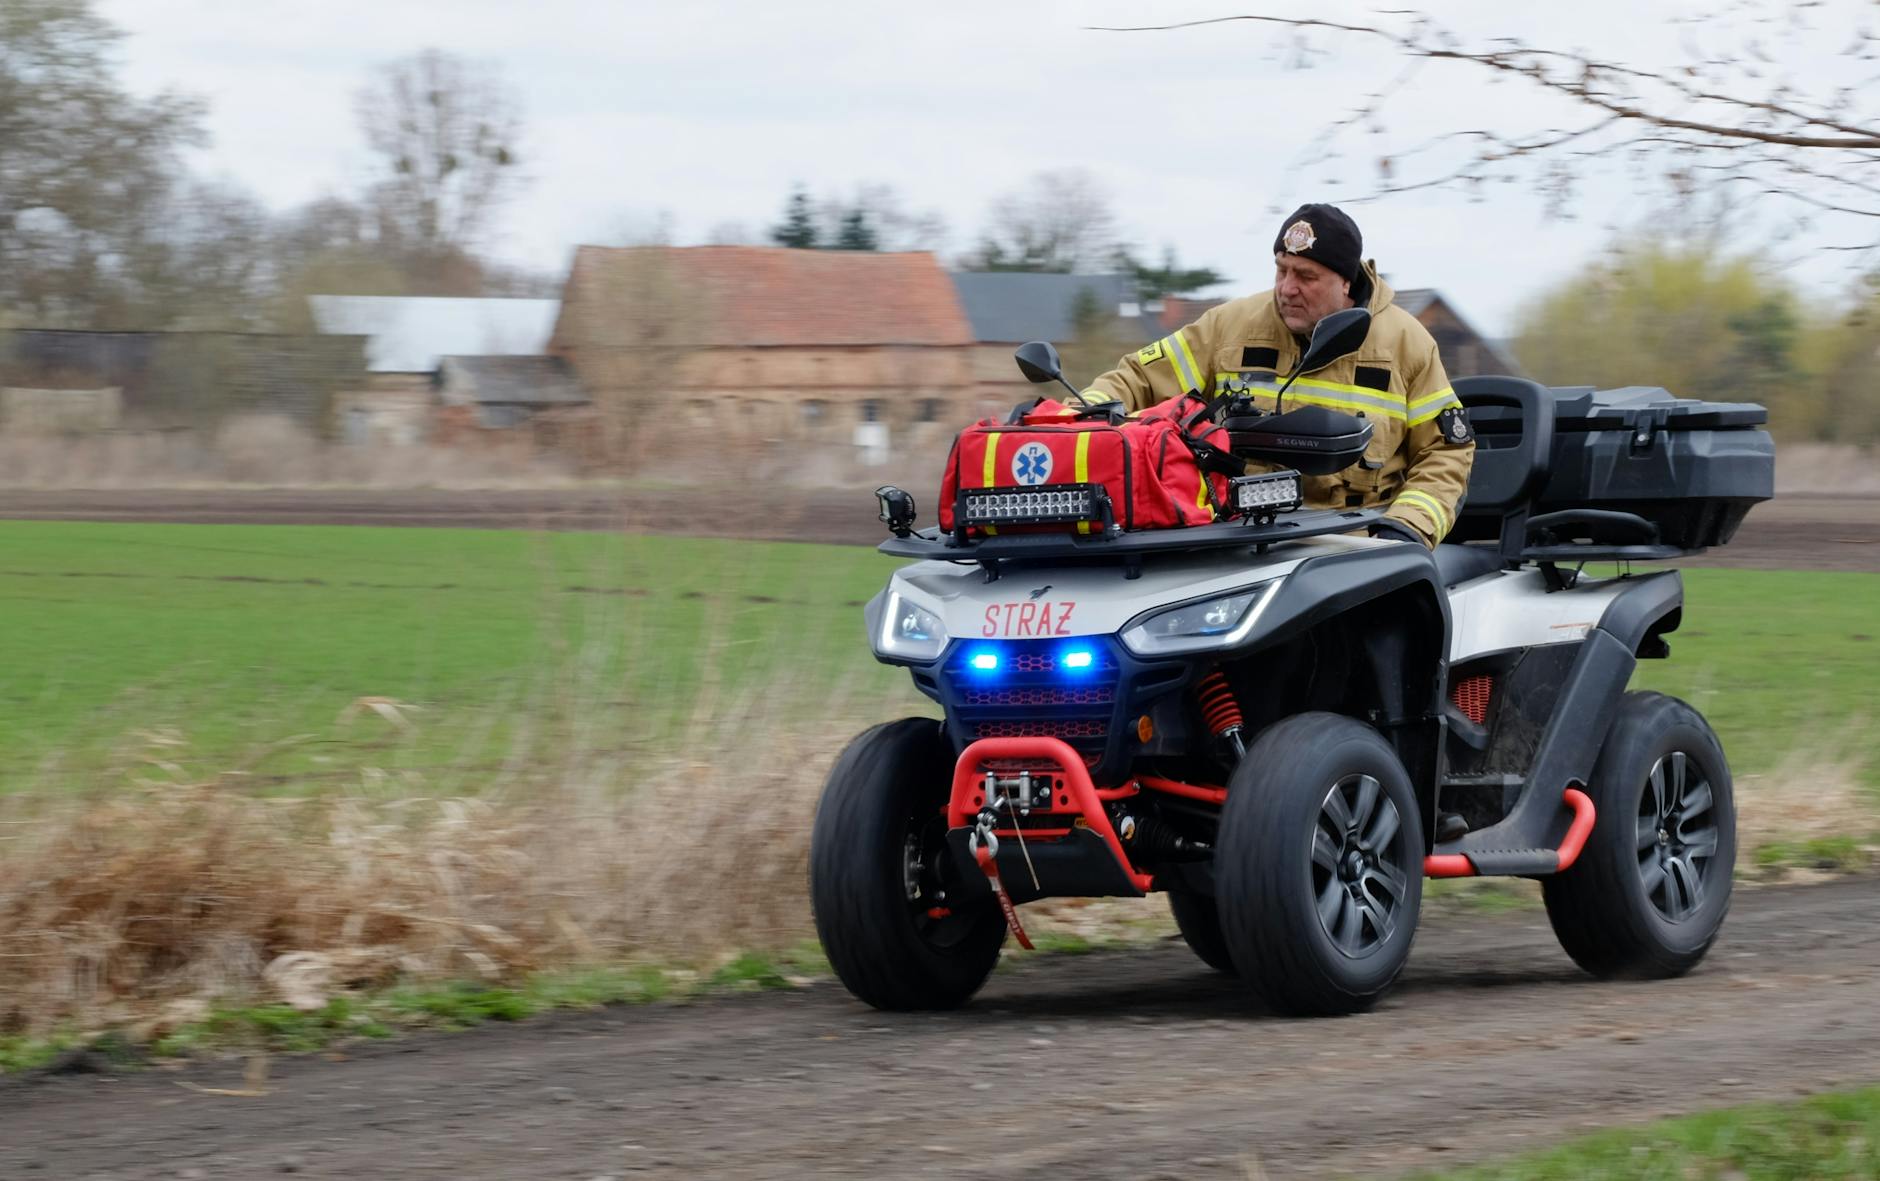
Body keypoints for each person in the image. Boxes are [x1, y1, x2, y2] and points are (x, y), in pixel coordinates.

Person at [1080, 203, 1475, 548]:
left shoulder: (1408, 345)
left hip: (1353, 554)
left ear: (1345, 282)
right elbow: (1136, 379)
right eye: (1281, 270)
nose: (1287, 289)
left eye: (1305, 276)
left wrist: (1406, 529)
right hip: (1234, 544)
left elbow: (1445, 452)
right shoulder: (1229, 326)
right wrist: (1069, 421)